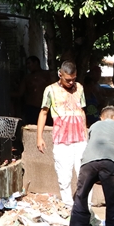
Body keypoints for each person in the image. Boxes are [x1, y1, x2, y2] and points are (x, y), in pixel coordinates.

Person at [36, 60, 88, 206]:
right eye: (67, 79)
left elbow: (82, 111)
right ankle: (68, 207)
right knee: (64, 177)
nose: (71, 82)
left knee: (84, 175)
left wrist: (85, 133)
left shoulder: (80, 88)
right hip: (61, 140)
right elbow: (43, 113)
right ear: (60, 74)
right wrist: (39, 137)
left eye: (73, 79)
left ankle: (85, 208)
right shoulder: (50, 90)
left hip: (80, 140)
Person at [13, 56, 54, 125]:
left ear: (36, 63)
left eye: (29, 63)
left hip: (46, 107)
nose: (28, 66)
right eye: (27, 64)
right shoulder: (27, 78)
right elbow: (20, 93)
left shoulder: (47, 75)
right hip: (32, 107)